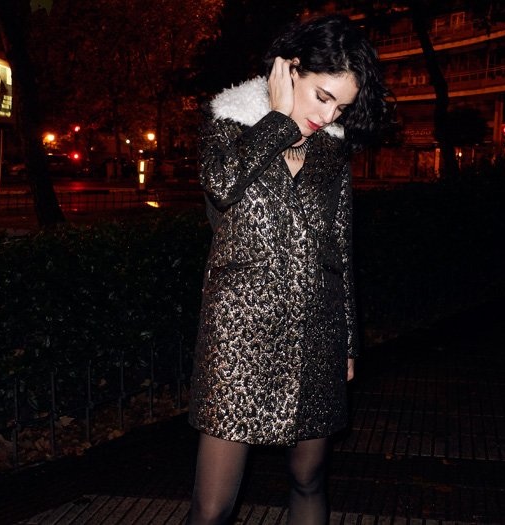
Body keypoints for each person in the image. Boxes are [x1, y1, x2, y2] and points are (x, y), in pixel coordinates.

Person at [187, 14, 388, 525]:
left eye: (340, 107)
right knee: (212, 507)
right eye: (323, 96)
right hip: (239, 335)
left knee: (308, 477)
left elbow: (340, 251)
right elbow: (221, 185)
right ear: (290, 69)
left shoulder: (331, 151)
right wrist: (277, 120)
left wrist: (348, 343)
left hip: (316, 330)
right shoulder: (227, 124)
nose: (328, 114)